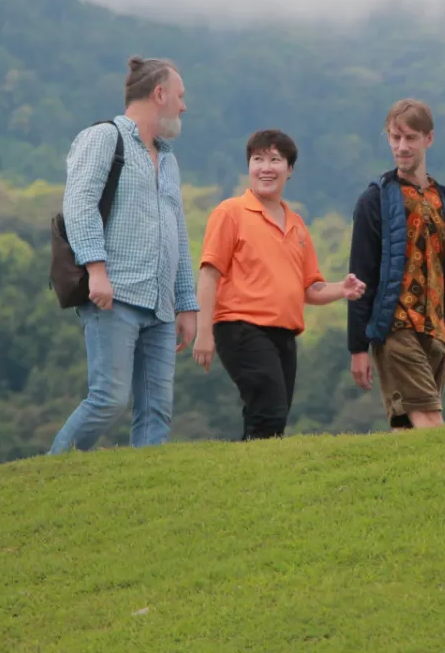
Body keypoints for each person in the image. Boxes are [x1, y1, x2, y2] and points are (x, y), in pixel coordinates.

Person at [48, 56, 199, 454]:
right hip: (114, 295)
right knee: (108, 400)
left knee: (157, 412)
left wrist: (187, 303)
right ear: (159, 94)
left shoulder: (168, 159)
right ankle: (49, 470)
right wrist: (96, 270)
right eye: (180, 96)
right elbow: (79, 205)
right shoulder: (103, 138)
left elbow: (178, 232)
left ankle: (146, 485)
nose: (184, 106)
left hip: (160, 306)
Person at [192, 129, 366, 441]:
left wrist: (342, 288)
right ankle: (255, 470)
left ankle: (248, 468)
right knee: (269, 410)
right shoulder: (230, 212)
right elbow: (209, 274)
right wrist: (203, 332)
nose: (266, 168)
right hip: (241, 327)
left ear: (290, 169)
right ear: (249, 166)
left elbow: (309, 288)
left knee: (273, 415)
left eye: (275, 160)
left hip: (284, 334)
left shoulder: (297, 224)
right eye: (258, 159)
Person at [347, 98, 445, 430]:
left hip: (439, 333)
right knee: (431, 424)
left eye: (410, 138)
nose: (402, 147)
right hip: (395, 329)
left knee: (409, 432)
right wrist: (358, 347)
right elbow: (360, 276)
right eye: (395, 138)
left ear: (429, 138)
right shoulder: (374, 200)